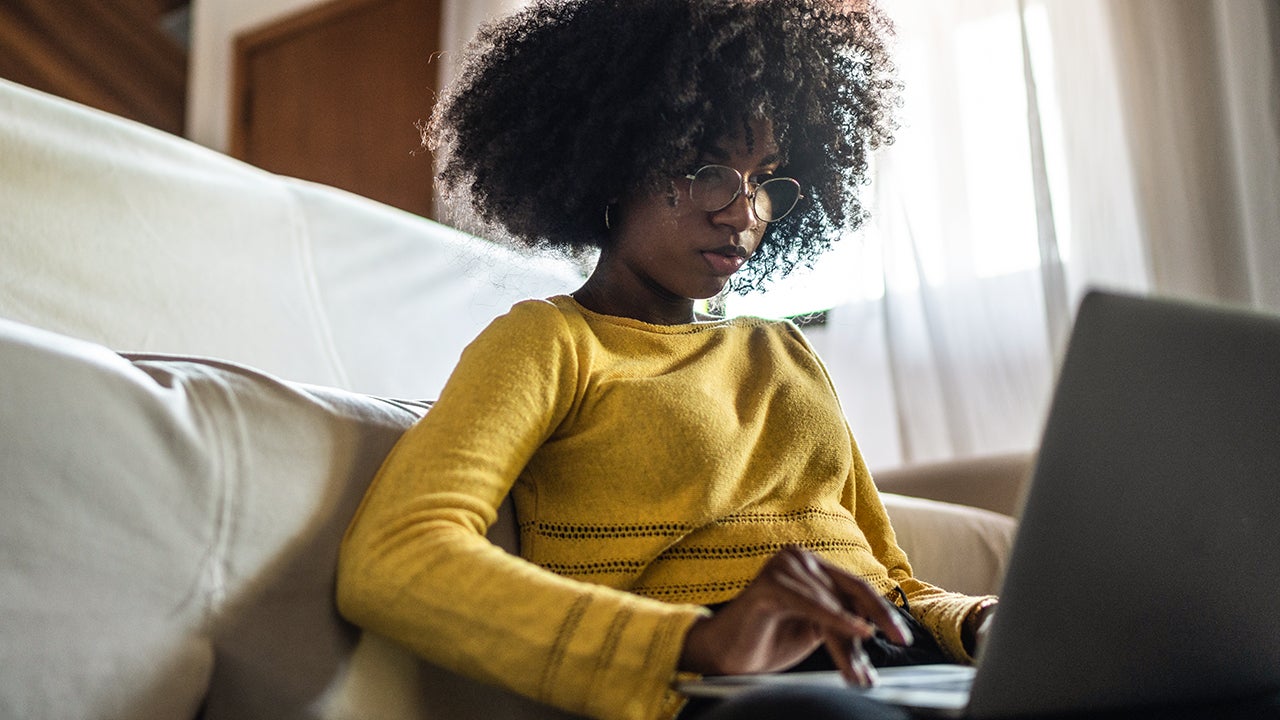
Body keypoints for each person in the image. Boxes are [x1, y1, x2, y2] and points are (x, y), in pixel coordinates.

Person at [336, 1, 997, 719]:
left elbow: (891, 584)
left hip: (907, 669)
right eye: (708, 170)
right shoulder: (552, 341)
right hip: (741, 694)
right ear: (612, 162)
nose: (744, 215)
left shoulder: (782, 353)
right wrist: (700, 641)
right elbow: (394, 554)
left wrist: (978, 622)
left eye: (763, 179)